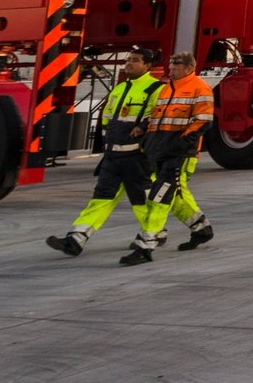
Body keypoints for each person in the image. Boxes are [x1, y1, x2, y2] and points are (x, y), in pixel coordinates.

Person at [46, 50, 161, 258]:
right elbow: (107, 118)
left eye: (135, 61)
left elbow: (158, 116)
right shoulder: (120, 88)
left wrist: (143, 132)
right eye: (128, 60)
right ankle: (76, 238)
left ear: (148, 66)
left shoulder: (156, 89)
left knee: (141, 201)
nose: (129, 64)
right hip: (113, 156)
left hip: (136, 158)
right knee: (100, 198)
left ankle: (155, 232)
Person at [131, 47, 217, 264]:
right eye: (171, 65)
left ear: (189, 68)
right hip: (160, 150)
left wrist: (182, 144)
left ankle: (146, 243)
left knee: (160, 196)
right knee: (177, 194)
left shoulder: (200, 88)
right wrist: (145, 136)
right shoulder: (166, 89)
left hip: (180, 153)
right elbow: (155, 116)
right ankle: (201, 229)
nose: (171, 69)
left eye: (176, 66)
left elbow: (203, 120)